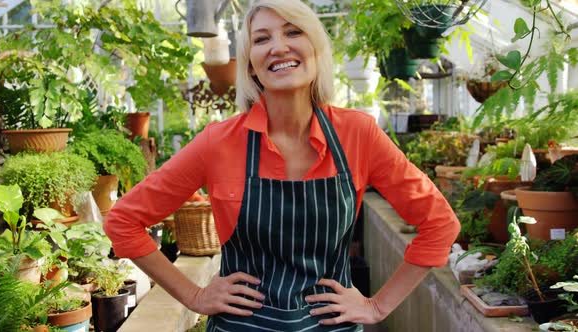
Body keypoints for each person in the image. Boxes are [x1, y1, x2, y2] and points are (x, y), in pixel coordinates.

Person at [103, 0, 460, 330]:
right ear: (251, 64)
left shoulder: (358, 134)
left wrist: (377, 307)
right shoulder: (218, 142)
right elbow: (123, 221)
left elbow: (439, 224)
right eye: (261, 39)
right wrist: (194, 295)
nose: (278, 46)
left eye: (293, 32)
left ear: (317, 49)